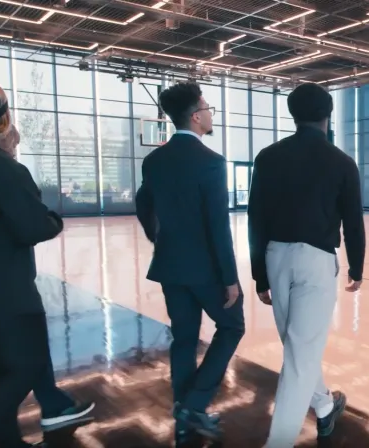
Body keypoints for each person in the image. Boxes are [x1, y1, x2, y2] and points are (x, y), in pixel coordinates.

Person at [0, 122, 95, 446]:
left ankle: (13, 435)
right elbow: (30, 225)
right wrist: (52, 220)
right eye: (12, 141)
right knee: (17, 368)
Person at [247, 83, 364, 447]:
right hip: (316, 261)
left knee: (296, 346)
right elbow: (353, 222)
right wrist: (357, 268)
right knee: (299, 355)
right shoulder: (342, 162)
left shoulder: (268, 157)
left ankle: (325, 406)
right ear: (328, 115)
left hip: (275, 256)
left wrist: (258, 274)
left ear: (292, 114)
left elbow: (256, 217)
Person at [135, 81, 244, 443]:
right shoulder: (211, 162)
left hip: (170, 266)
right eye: (208, 107)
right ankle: (195, 404)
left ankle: (184, 409)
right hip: (206, 269)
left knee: (183, 338)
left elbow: (143, 203)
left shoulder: (154, 160)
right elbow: (218, 225)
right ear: (196, 116)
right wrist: (230, 277)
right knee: (231, 326)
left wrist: (158, 237)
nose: (211, 113)